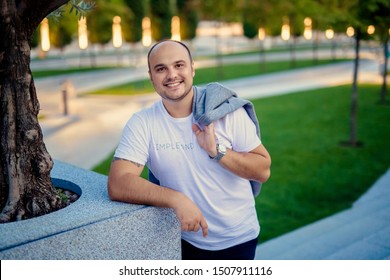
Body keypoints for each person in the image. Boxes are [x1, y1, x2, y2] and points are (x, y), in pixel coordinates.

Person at [107, 40, 271, 260]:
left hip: (237, 239)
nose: (171, 75)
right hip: (182, 239)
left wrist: (217, 151)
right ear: (151, 76)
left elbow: (262, 170)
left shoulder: (225, 112)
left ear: (192, 68)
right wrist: (177, 199)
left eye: (179, 65)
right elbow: (118, 182)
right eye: (161, 68)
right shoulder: (143, 123)